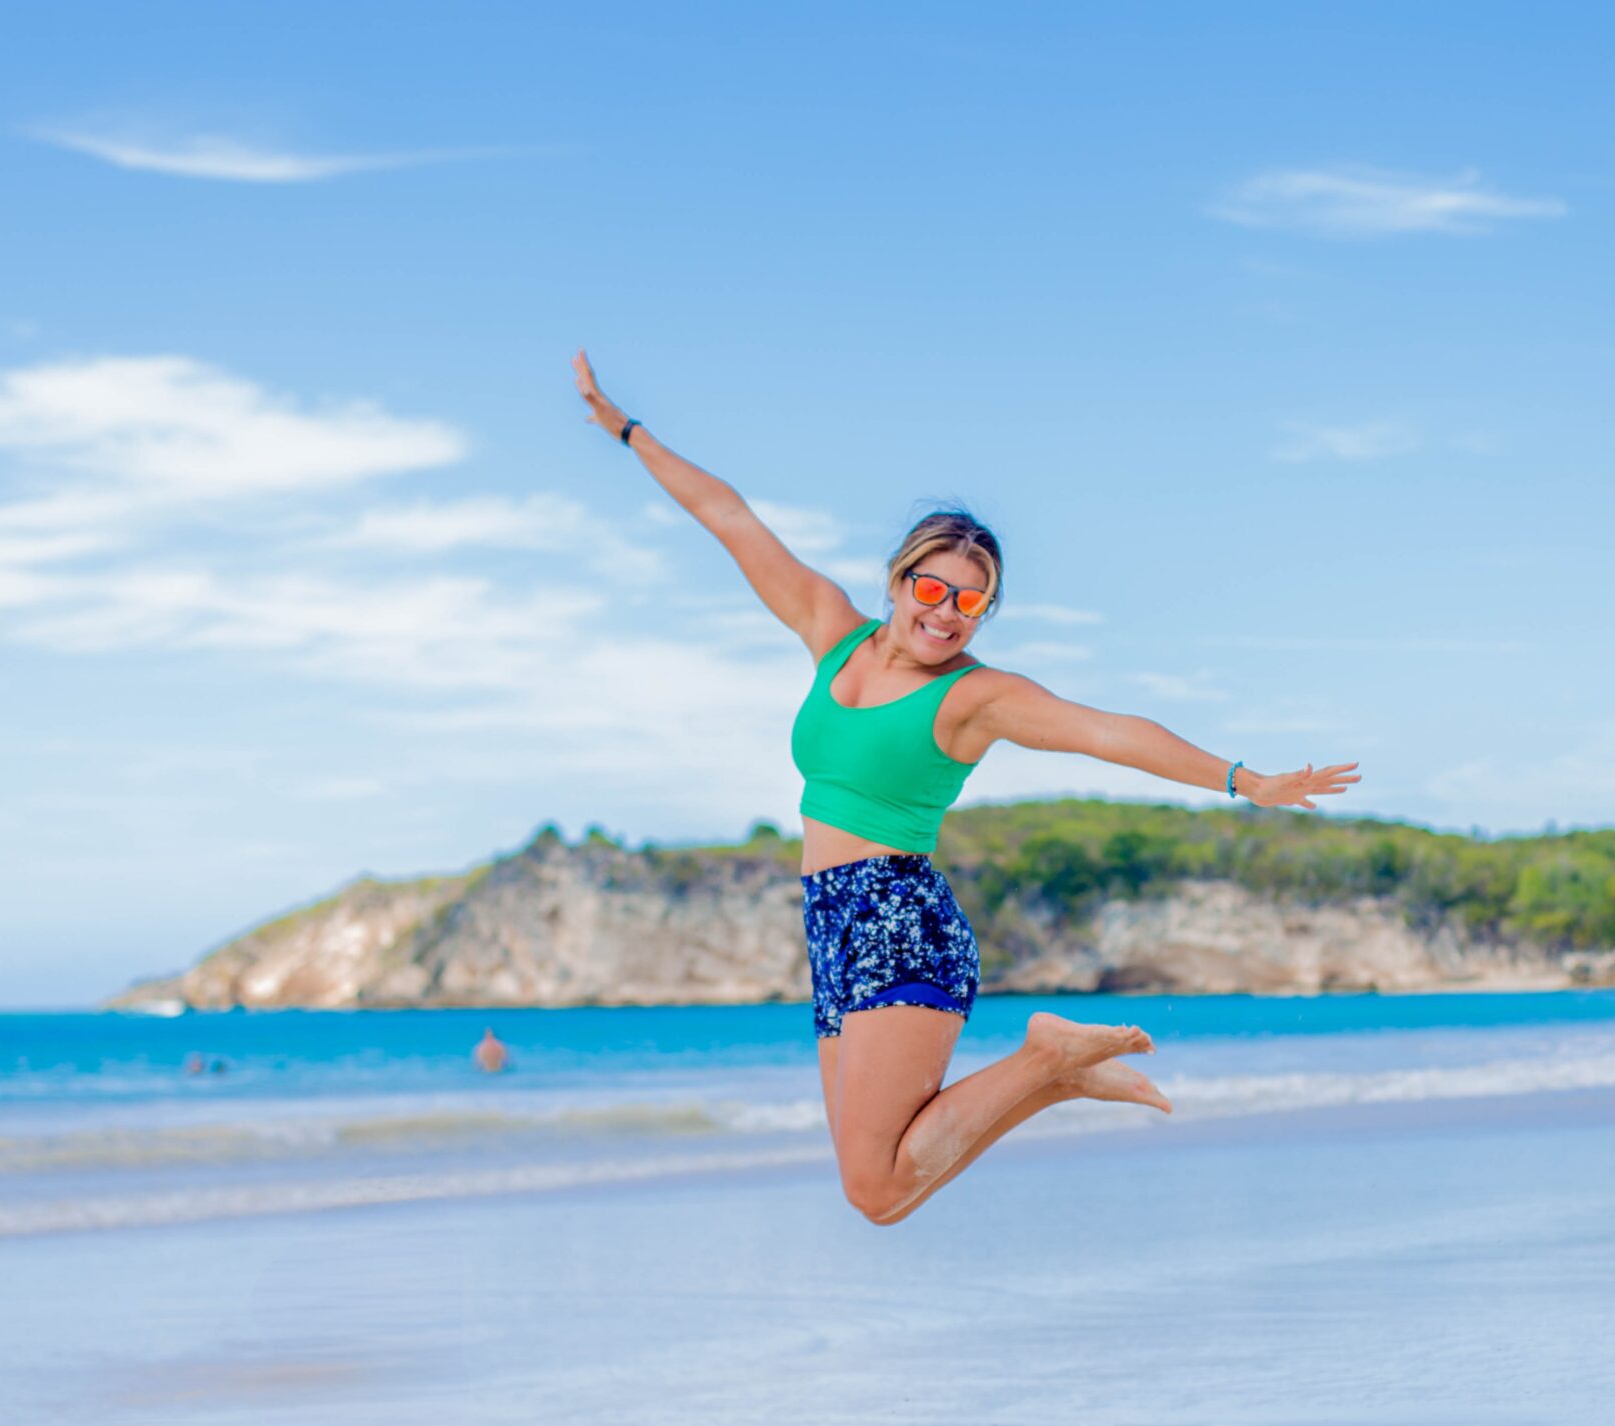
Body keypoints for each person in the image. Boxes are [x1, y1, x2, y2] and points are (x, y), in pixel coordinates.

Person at [574, 352, 1360, 1225]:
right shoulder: (832, 631)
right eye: (934, 588)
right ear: (900, 579)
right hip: (830, 919)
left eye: (971, 603)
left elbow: (1108, 732)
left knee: (878, 1191)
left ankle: (1044, 1057)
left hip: (900, 919)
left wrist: (1244, 779)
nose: (946, 613)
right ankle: (1058, 1078)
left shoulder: (974, 698)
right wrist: (628, 431)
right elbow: (728, 516)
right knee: (868, 1177)